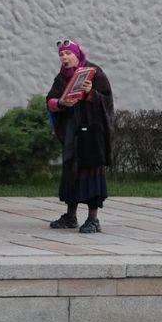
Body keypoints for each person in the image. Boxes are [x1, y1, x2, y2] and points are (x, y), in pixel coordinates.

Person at [47, 40, 113, 234]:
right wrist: (61, 103)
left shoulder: (95, 73)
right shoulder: (61, 78)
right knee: (71, 172)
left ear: (77, 54)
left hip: (92, 132)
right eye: (61, 54)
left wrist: (90, 93)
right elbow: (50, 100)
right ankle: (71, 216)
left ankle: (93, 219)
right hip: (72, 132)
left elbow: (107, 100)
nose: (64, 57)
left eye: (68, 53)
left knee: (91, 171)